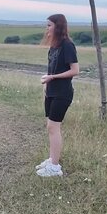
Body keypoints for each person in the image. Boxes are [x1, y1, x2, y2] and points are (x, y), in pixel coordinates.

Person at [36, 14, 79, 177]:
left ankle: (55, 167)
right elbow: (52, 69)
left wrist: (53, 78)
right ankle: (52, 159)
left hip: (62, 93)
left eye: (49, 25)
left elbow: (75, 70)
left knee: (54, 128)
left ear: (58, 26)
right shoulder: (54, 46)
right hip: (51, 91)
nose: (46, 28)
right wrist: (47, 83)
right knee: (50, 127)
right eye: (46, 25)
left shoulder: (67, 45)